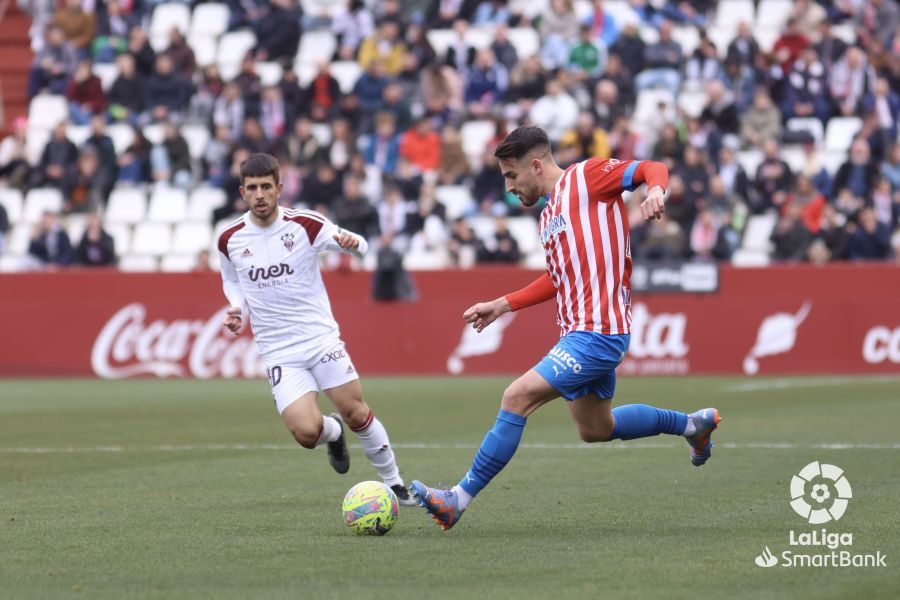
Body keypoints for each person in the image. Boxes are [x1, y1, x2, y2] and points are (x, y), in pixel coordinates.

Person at [410, 127, 721, 530]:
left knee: (516, 396)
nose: (508, 187)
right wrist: (503, 304)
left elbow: (651, 167)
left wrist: (655, 191)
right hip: (577, 332)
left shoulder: (587, 176)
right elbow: (557, 279)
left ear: (536, 165)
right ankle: (692, 426)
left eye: (511, 175)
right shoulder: (548, 217)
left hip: (599, 332)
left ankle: (458, 499)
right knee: (596, 428)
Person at [217, 153, 414, 504]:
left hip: (319, 338)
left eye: (266, 187)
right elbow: (233, 282)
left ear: (279, 188)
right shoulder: (229, 238)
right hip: (278, 350)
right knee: (307, 433)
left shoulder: (304, 224)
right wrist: (236, 310)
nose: (260, 194)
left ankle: (396, 482)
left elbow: (359, 245)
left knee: (356, 410)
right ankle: (333, 432)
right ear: (242, 192)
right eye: (252, 188)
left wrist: (353, 245)